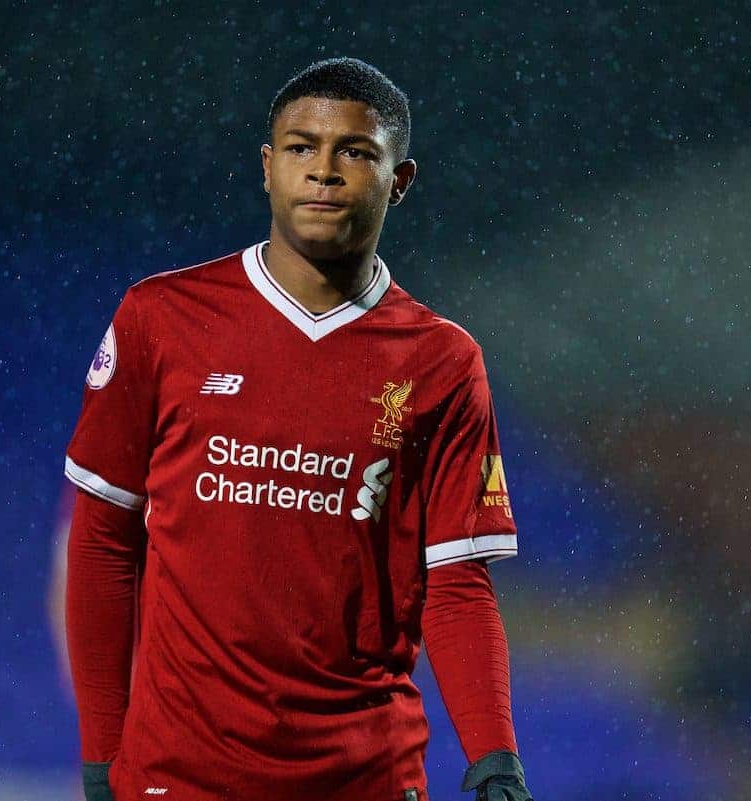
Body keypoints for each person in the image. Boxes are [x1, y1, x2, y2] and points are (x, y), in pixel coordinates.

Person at [63, 57, 535, 801]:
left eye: (354, 151)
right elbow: (101, 539)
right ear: (266, 165)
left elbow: (455, 583)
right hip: (178, 777)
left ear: (399, 180)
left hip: (362, 777)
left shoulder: (443, 361)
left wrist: (494, 756)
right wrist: (101, 755)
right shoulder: (161, 320)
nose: (323, 171)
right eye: (299, 147)